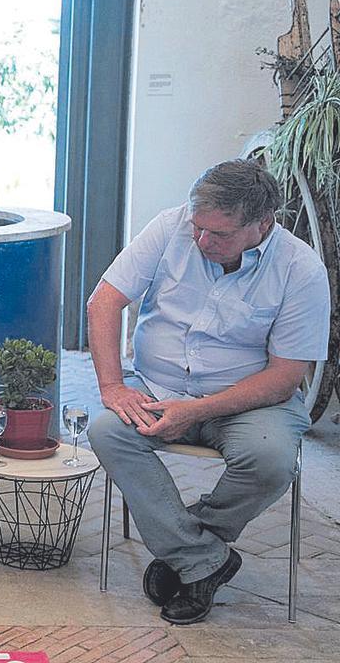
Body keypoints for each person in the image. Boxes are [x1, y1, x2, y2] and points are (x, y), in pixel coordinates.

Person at [86, 158, 330, 625]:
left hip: (247, 402)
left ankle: (188, 546)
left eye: (219, 235)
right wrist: (113, 386)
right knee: (107, 431)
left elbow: (284, 376)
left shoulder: (301, 269)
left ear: (263, 223)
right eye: (198, 227)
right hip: (160, 387)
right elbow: (105, 301)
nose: (202, 241)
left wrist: (198, 410)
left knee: (271, 459)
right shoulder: (171, 227)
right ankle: (203, 561)